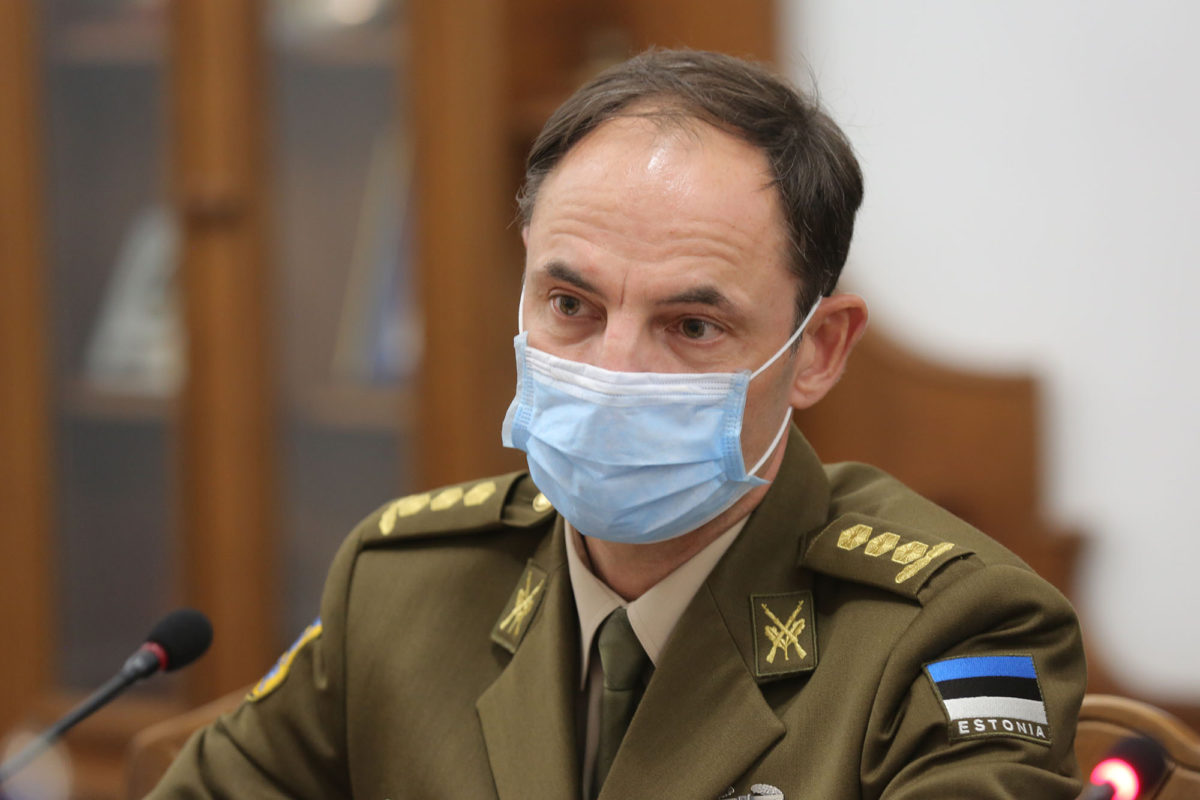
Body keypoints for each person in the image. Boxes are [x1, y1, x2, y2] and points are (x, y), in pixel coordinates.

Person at [147, 49, 1086, 799]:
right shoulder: (405, 586)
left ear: (817, 351)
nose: (613, 370)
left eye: (692, 325)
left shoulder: (950, 631)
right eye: (571, 304)